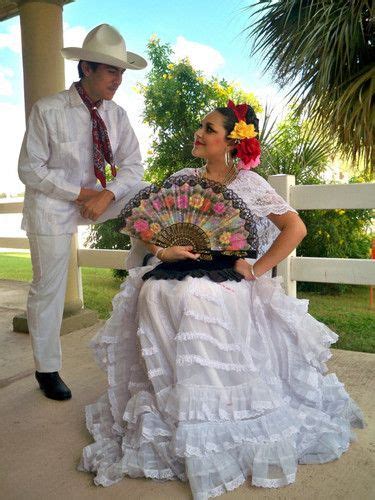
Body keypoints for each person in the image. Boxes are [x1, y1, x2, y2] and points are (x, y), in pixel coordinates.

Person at [79, 101, 364, 499]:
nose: (199, 132)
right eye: (201, 125)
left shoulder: (249, 184)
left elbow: (295, 227)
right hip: (176, 265)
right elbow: (144, 220)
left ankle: (212, 410)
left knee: (198, 296)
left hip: (228, 273)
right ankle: (171, 403)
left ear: (232, 141)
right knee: (154, 291)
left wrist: (258, 267)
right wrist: (163, 251)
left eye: (209, 128)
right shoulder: (182, 177)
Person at [18, 24, 148, 401]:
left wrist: (106, 195)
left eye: (122, 71)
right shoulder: (49, 110)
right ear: (86, 69)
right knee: (49, 289)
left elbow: (132, 167)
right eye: (111, 70)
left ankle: (148, 264)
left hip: (99, 199)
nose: (119, 79)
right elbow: (30, 170)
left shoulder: (117, 115)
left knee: (145, 193)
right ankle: (47, 370)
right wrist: (81, 193)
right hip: (52, 204)